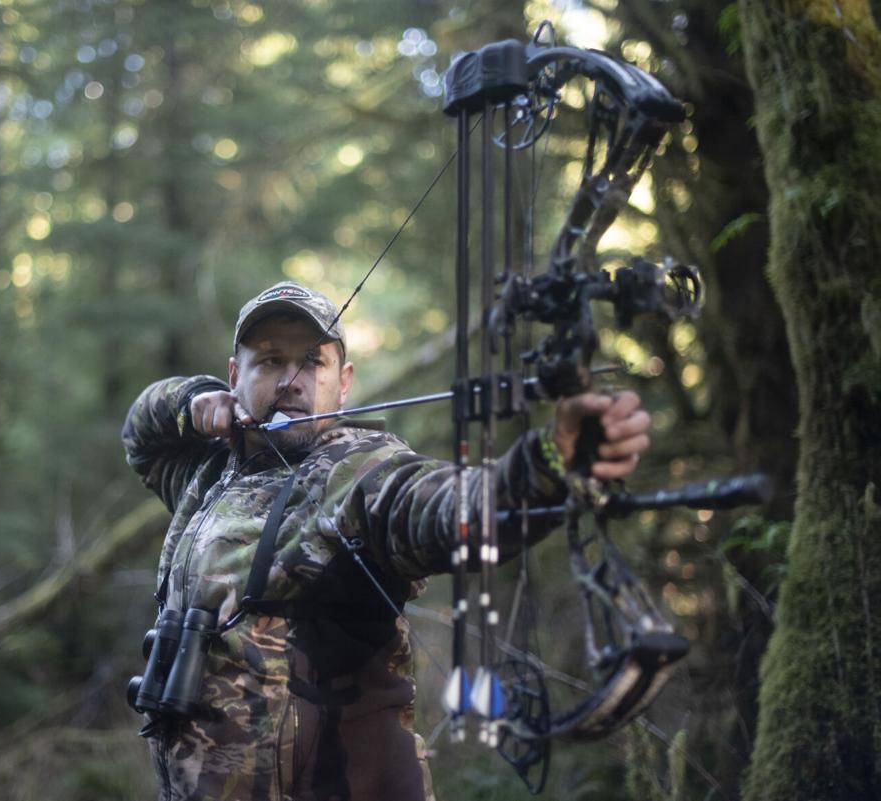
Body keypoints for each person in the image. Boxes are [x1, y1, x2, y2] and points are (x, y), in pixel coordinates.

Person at [122, 281, 651, 801]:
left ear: (343, 382)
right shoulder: (210, 470)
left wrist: (542, 468)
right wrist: (192, 403)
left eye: (313, 362)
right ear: (234, 376)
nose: (292, 381)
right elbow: (141, 433)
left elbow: (434, 505)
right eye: (269, 361)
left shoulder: (352, 468)